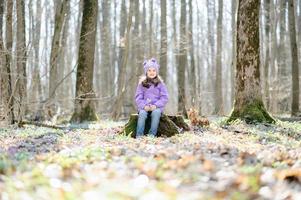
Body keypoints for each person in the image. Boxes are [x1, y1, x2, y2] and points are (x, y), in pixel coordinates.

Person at [134, 58, 169, 138]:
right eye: (149, 70)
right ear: (146, 72)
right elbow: (138, 97)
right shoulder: (142, 84)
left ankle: (152, 135)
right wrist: (144, 106)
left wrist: (156, 105)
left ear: (156, 72)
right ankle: (139, 135)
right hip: (145, 107)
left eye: (154, 70)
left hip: (156, 107)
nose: (152, 72)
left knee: (156, 113)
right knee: (142, 114)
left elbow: (164, 97)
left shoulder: (160, 84)